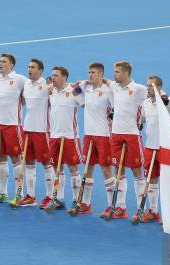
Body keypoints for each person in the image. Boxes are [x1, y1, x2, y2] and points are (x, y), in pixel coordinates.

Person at [105, 61, 147, 219]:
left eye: (117, 72)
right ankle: (121, 208)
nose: (114, 74)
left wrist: (142, 120)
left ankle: (140, 209)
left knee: (137, 171)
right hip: (116, 134)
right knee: (119, 170)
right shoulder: (114, 87)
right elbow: (104, 84)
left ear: (126, 73)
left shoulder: (138, 89)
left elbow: (155, 95)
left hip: (132, 134)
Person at [76, 62, 114, 215]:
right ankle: (85, 204)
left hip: (104, 135)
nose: (89, 75)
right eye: (88, 72)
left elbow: (116, 107)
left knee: (106, 170)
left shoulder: (108, 90)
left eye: (93, 72)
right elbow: (75, 92)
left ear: (101, 74)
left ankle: (113, 206)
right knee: (87, 168)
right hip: (89, 135)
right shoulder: (87, 89)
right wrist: (82, 83)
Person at [0, 53, 27, 203]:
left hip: (13, 125)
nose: (0, 64)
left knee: (16, 158)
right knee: (1, 159)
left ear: (11, 64)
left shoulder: (20, 79)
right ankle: (3, 193)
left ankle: (19, 193)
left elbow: (28, 96)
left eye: (4, 62)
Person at [47, 66, 84, 210]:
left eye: (56, 75)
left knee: (73, 168)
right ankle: (59, 199)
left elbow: (85, 94)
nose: (53, 78)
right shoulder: (51, 91)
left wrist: (80, 85)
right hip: (54, 135)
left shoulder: (74, 91)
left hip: (69, 136)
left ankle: (77, 200)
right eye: (52, 75)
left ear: (64, 77)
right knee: (57, 169)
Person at [18, 58, 53, 208]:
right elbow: (23, 102)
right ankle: (31, 196)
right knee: (29, 162)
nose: (29, 69)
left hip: (42, 130)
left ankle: (51, 196)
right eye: (28, 67)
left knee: (46, 163)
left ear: (40, 70)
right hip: (27, 129)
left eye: (32, 67)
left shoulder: (47, 84)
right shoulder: (26, 84)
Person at [139, 75, 168, 223]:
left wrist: (164, 97)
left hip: (165, 148)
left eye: (151, 86)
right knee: (151, 180)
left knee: (168, 181)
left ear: (159, 88)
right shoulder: (145, 103)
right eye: (147, 86)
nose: (148, 88)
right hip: (150, 147)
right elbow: (142, 120)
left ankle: (169, 214)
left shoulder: (168, 103)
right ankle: (153, 211)